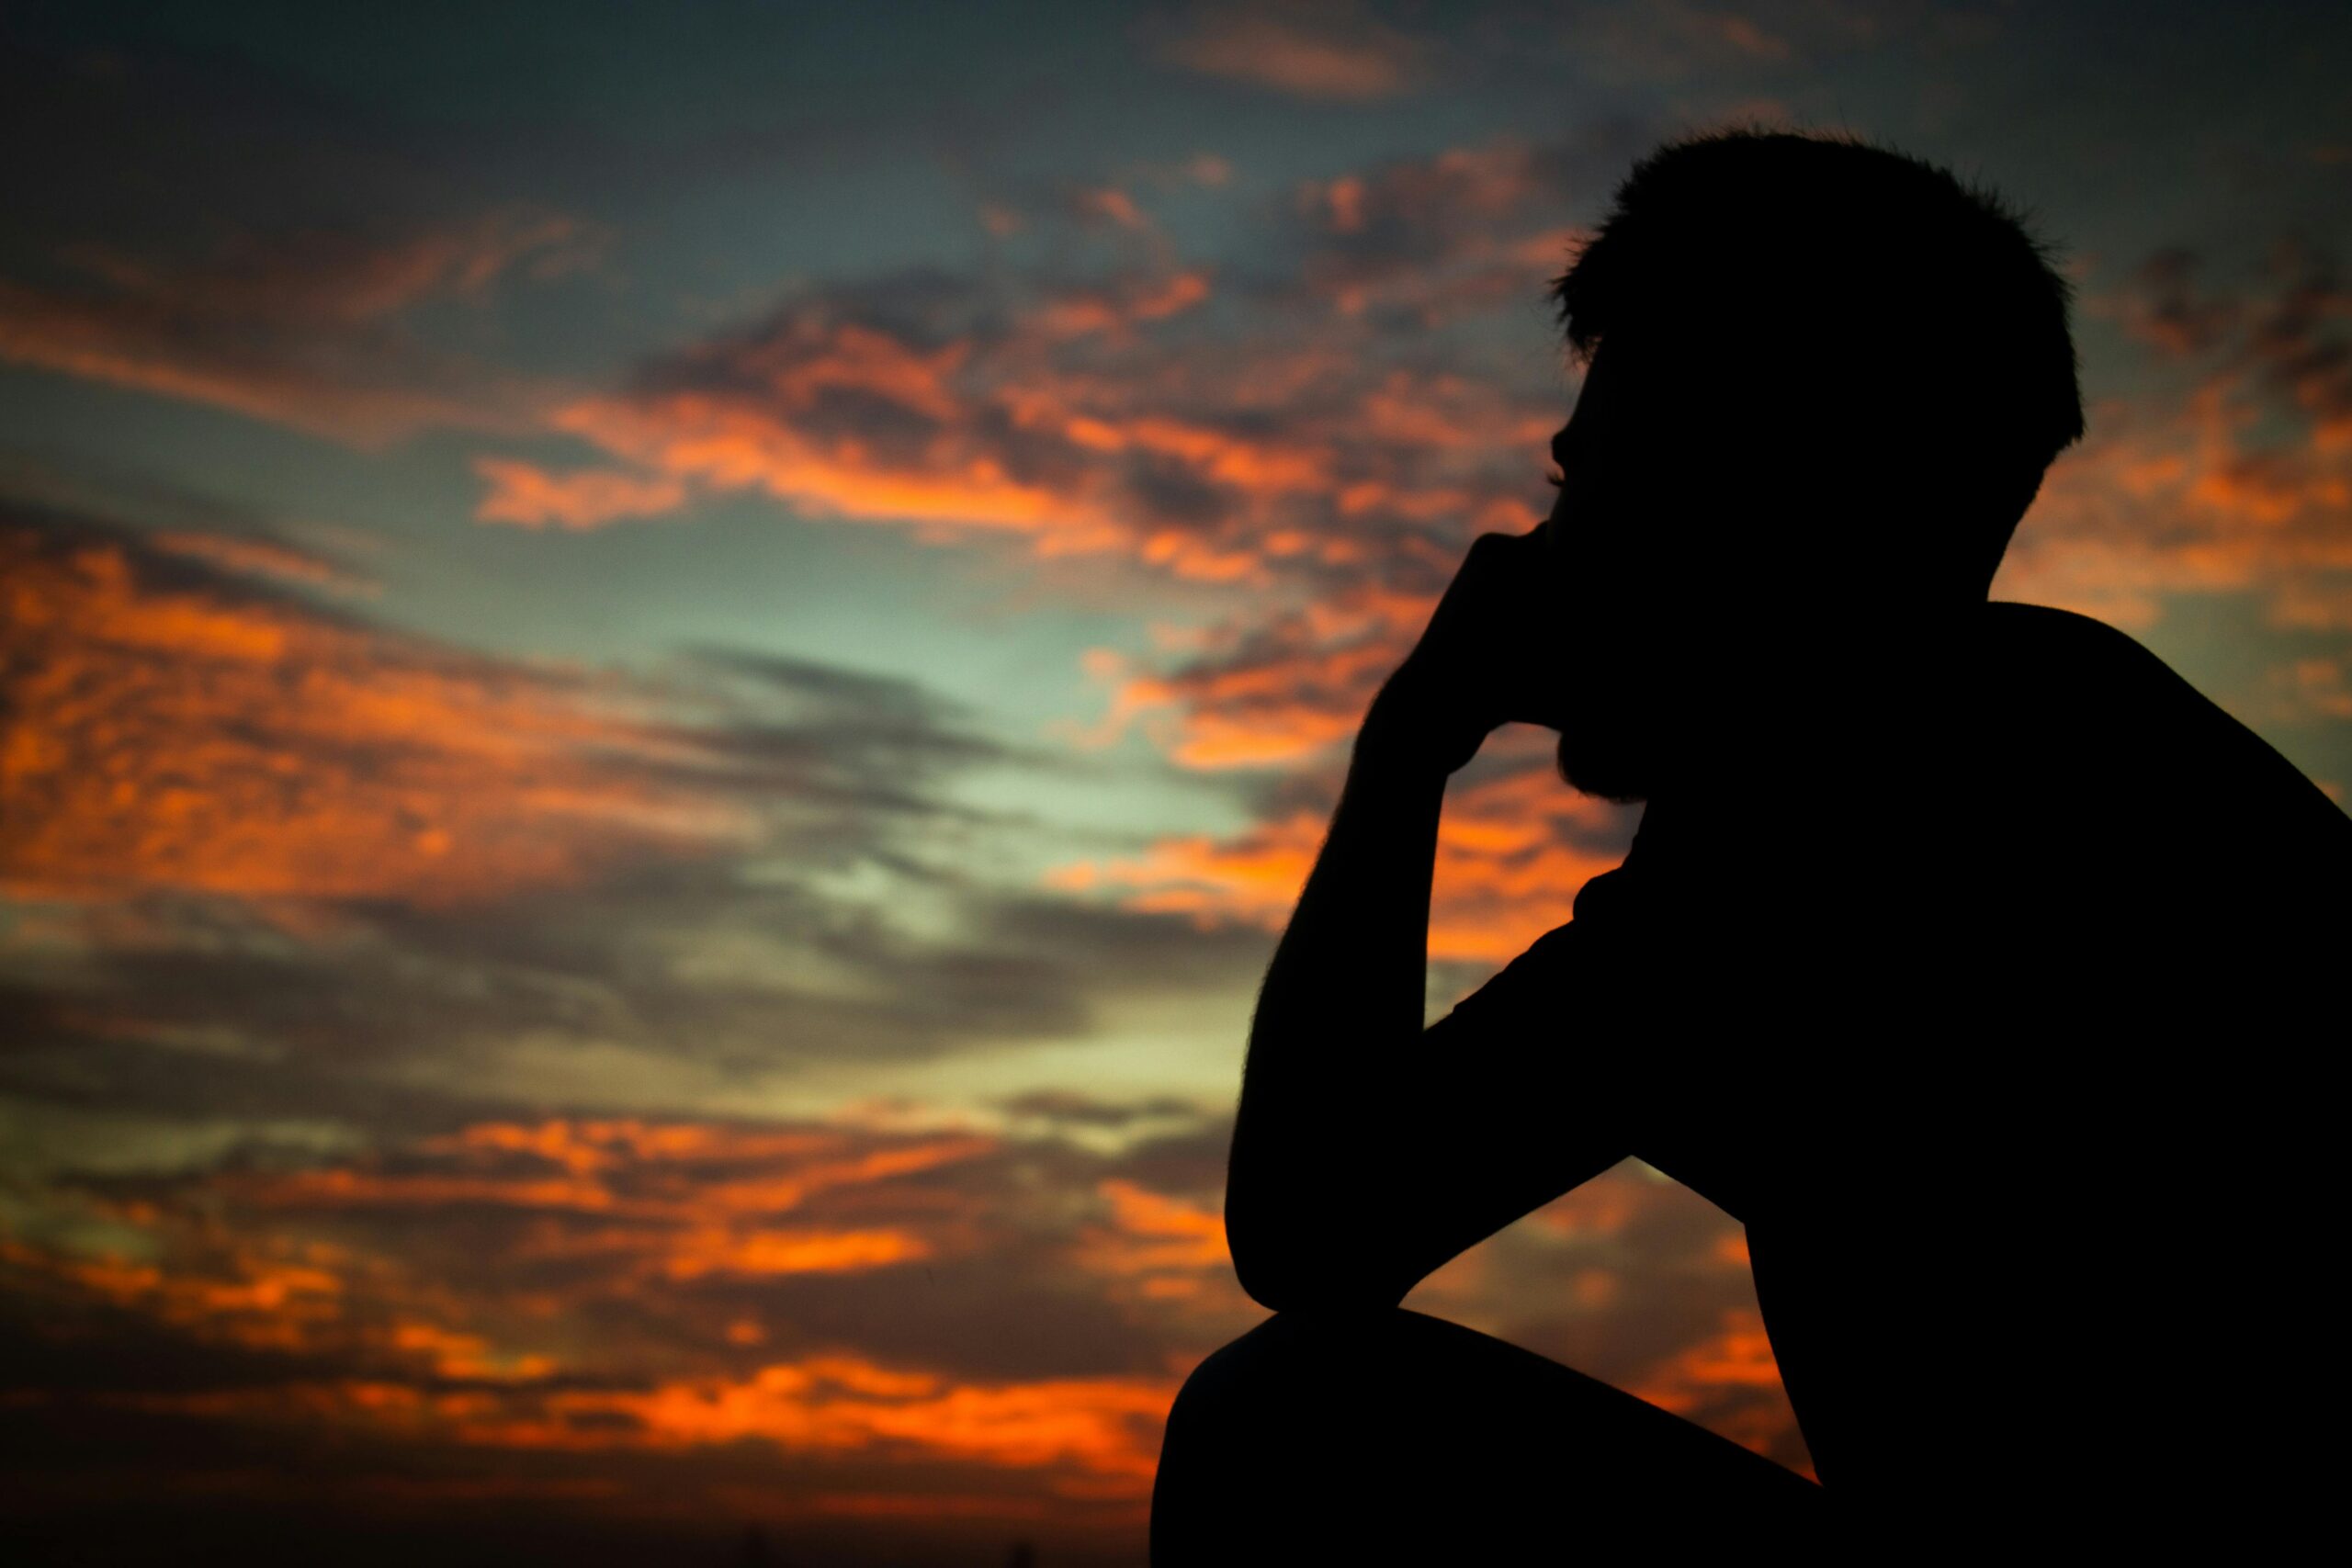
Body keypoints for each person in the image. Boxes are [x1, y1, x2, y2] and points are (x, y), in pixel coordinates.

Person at [1148, 128, 2351, 1562]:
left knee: (1296, 1420)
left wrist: (1408, 747)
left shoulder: (1863, 797)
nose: (1536, 547)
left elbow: (1312, 1233)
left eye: (1589, 482)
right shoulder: (2017, 724)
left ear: (1748, 498)